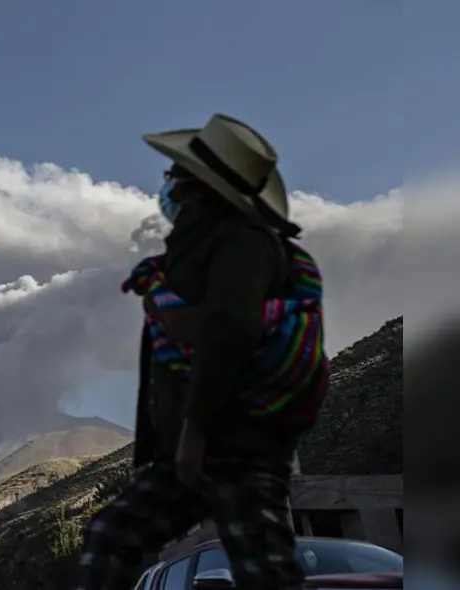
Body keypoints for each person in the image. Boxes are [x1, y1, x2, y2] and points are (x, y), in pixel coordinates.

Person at [75, 114, 330, 590]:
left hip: (235, 444)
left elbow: (230, 328)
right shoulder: (195, 252)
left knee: (265, 572)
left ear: (198, 186)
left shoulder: (244, 243)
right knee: (112, 536)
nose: (166, 184)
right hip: (195, 450)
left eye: (174, 175)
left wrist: (195, 430)